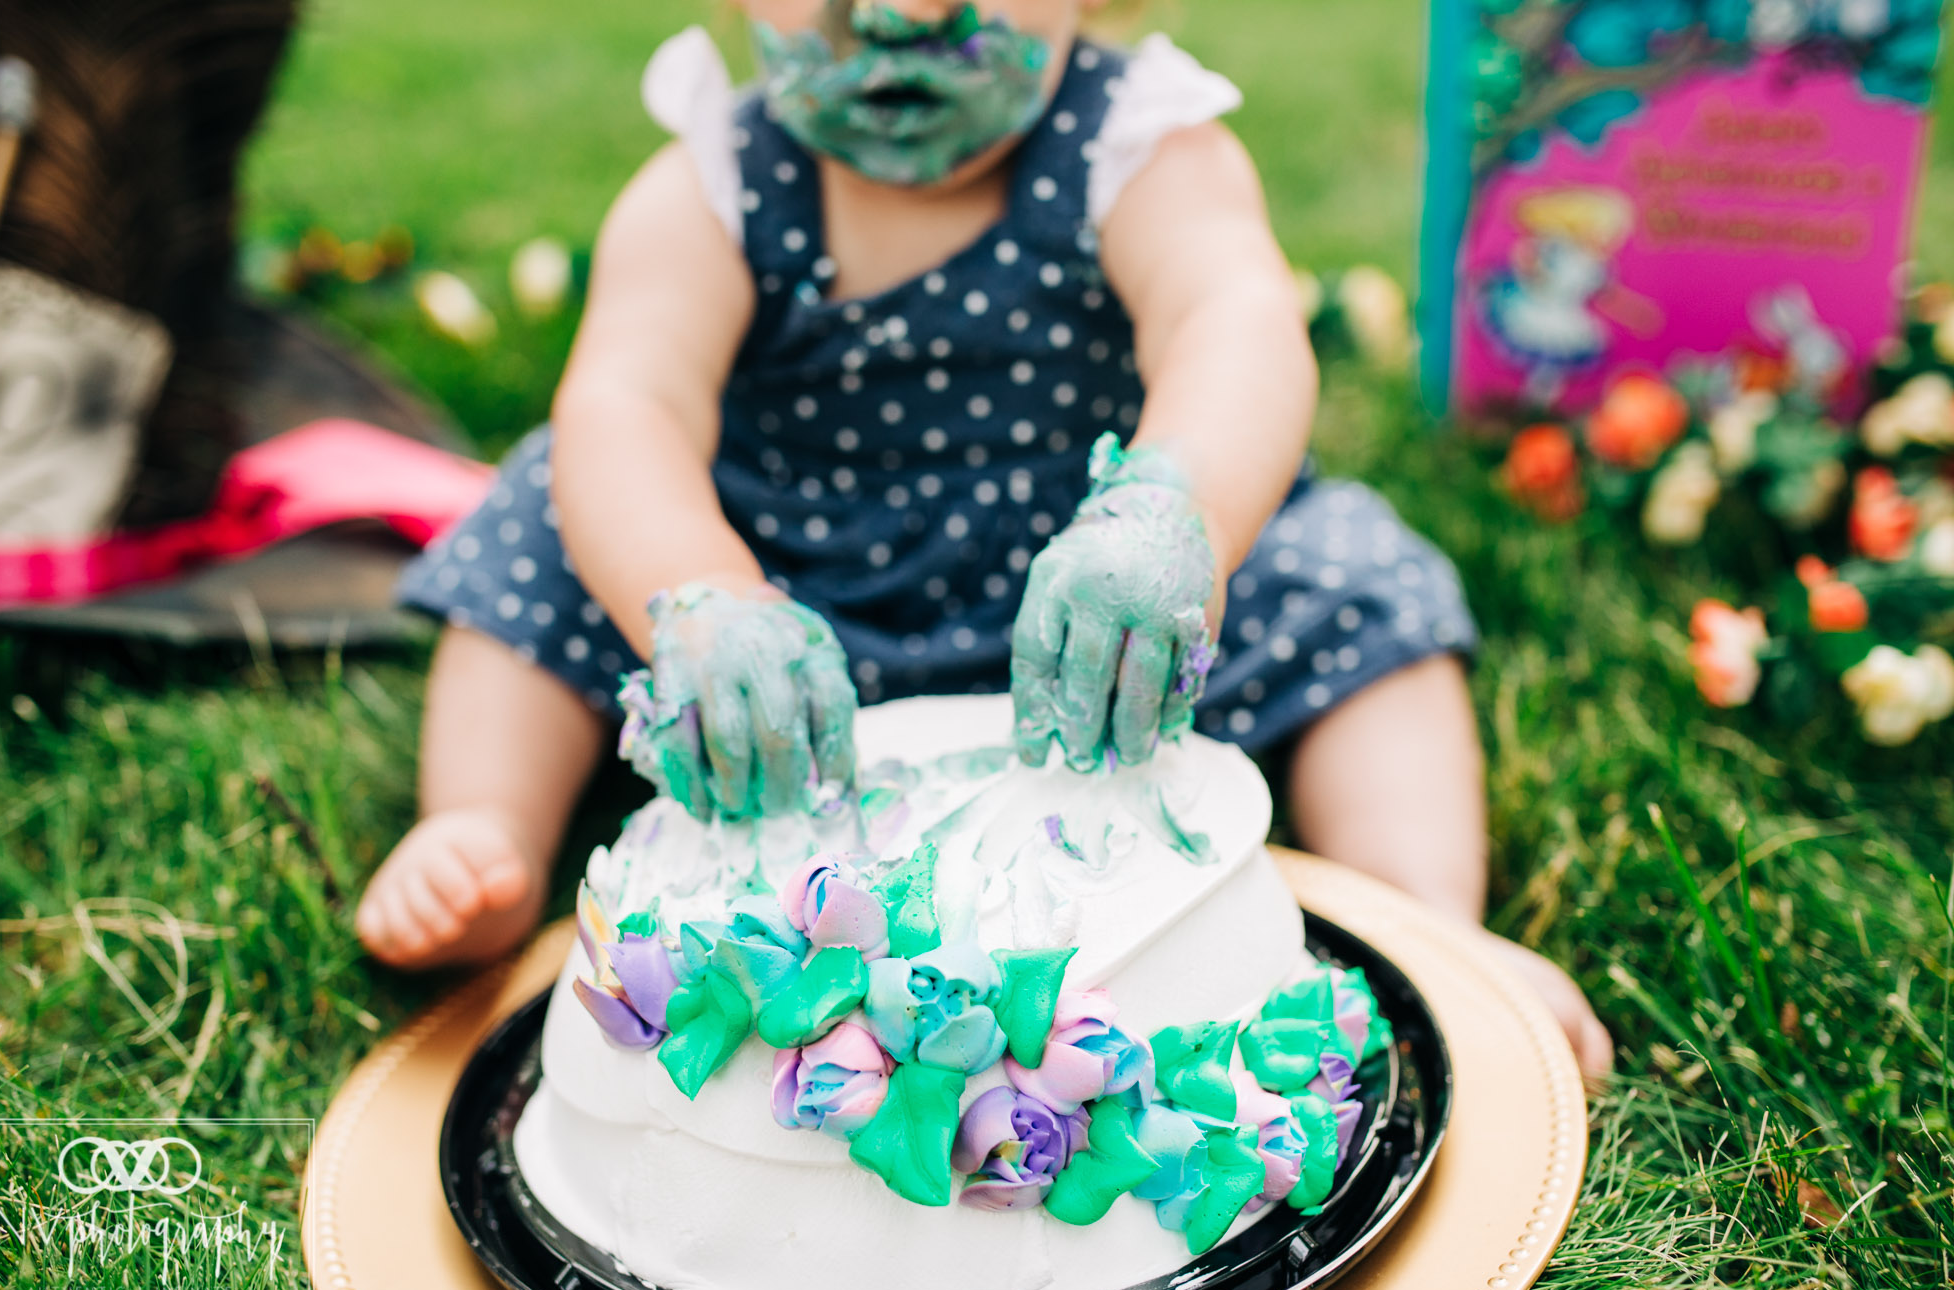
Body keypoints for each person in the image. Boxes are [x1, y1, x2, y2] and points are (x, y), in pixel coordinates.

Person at [359, 0, 1614, 1078]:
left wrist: (1171, 513)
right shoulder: (710, 185)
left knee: (1353, 586)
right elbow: (629, 401)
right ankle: (486, 828)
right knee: (546, 521)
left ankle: (1430, 927)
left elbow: (1226, 321)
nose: (902, 13)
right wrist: (696, 596)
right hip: (788, 600)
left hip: (1093, 610)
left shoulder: (1139, 149)